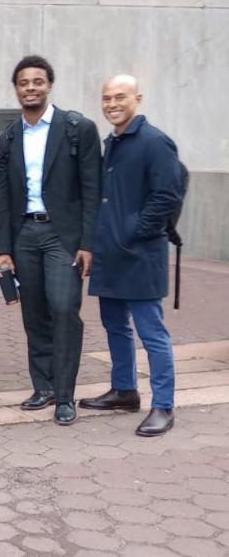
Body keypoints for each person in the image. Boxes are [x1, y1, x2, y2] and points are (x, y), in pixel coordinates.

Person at [0, 55, 101, 426]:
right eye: (24, 82)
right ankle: (44, 387)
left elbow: (92, 189)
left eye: (37, 81)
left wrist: (87, 243)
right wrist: (2, 250)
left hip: (62, 236)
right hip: (25, 234)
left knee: (64, 308)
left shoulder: (77, 129)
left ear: (49, 85)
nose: (31, 88)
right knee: (34, 313)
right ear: (16, 88)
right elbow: (3, 197)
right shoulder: (8, 138)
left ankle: (65, 396)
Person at [80, 75, 184, 437]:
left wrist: (133, 231)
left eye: (120, 97)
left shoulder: (155, 142)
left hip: (140, 255)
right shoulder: (113, 142)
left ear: (137, 99)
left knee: (151, 333)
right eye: (106, 98)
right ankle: (124, 391)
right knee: (115, 327)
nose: (112, 104)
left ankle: (163, 405)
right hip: (111, 254)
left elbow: (167, 196)